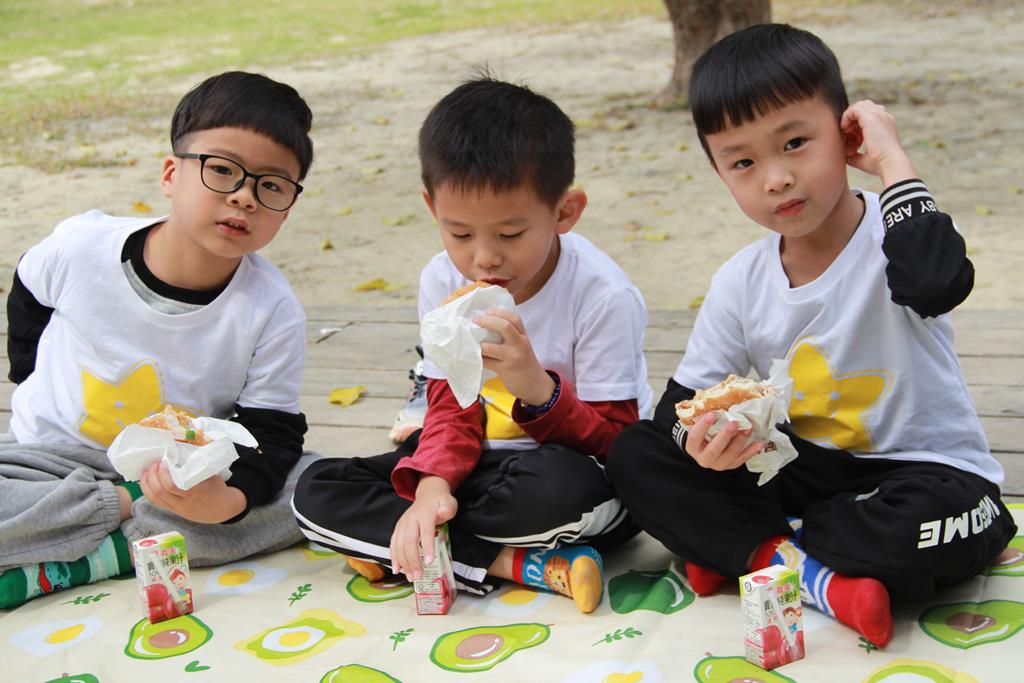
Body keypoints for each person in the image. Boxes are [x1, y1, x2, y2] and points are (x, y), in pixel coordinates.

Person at [606, 24, 1016, 646]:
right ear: (720, 173)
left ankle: (740, 548)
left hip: (928, 475)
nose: (776, 178)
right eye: (743, 163)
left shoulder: (895, 234)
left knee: (942, 526)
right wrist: (702, 442)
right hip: (804, 471)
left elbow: (939, 283)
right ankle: (814, 575)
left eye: (796, 143)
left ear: (846, 136)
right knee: (635, 453)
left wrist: (892, 162)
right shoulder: (741, 280)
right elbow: (676, 411)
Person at [292, 76, 651, 613]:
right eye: (459, 234)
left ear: (564, 212)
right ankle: (512, 563)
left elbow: (616, 445)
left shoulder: (601, 296)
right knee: (316, 490)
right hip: (475, 465)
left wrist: (539, 392)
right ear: (431, 206)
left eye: (510, 235)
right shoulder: (442, 279)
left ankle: (405, 546)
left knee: (558, 493)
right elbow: (448, 404)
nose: (483, 258)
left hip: (569, 473)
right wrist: (434, 484)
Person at [0, 71, 316, 608]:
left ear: (286, 207)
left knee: (315, 486)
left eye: (271, 185)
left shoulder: (272, 308)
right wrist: (30, 378)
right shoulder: (81, 248)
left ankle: (88, 558)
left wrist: (227, 503)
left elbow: (273, 433)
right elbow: (28, 293)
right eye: (222, 170)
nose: (244, 196)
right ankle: (125, 519)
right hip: (49, 461)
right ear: (171, 174)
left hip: (181, 473)